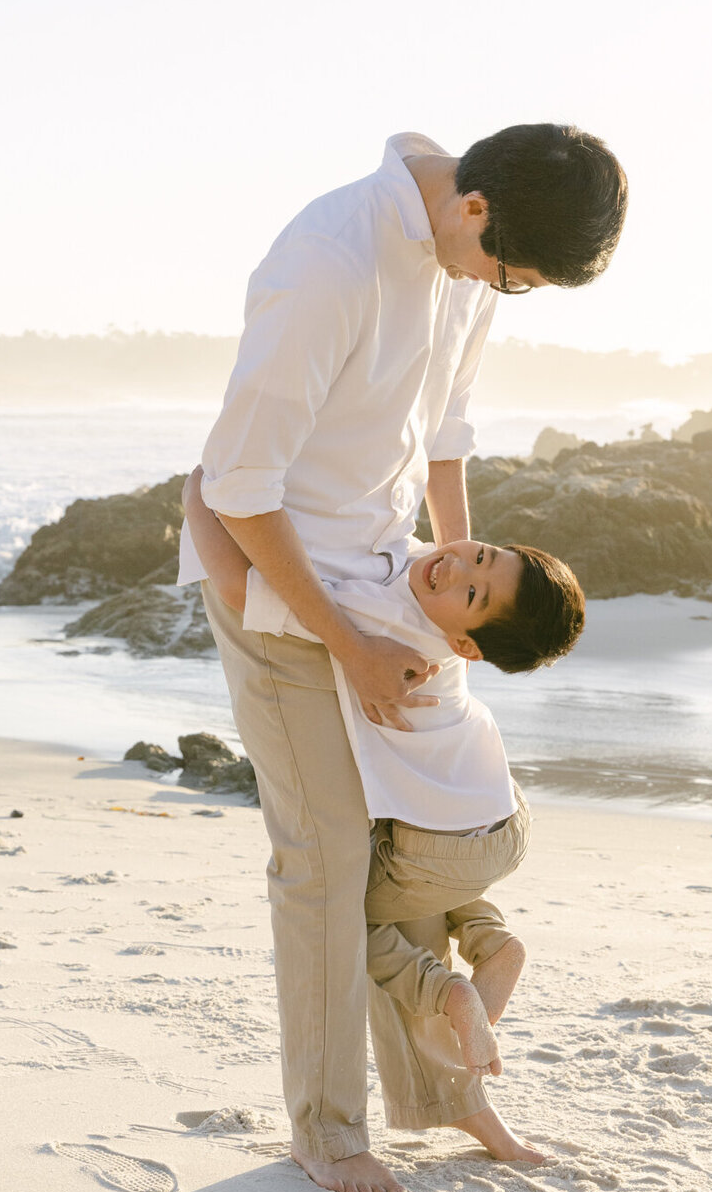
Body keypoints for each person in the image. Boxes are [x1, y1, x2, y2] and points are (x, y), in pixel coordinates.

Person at [176, 125, 626, 1192]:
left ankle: (447, 1094)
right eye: (512, 275)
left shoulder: (467, 258)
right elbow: (238, 485)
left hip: (392, 589)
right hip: (283, 591)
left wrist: (452, 599)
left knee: (410, 852)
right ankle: (326, 1133)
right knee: (327, 860)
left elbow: (448, 434)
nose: (504, 291)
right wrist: (351, 641)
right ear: (474, 210)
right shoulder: (331, 260)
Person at [182, 469, 584, 1139]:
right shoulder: (428, 589)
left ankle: (446, 988)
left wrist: (199, 497)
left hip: (437, 844)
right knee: (428, 879)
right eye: (478, 554)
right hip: (498, 820)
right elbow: (442, 529)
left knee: (337, 915)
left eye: (474, 593)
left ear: (464, 647)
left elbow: (235, 587)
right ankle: (489, 939)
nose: (453, 567)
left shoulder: (383, 620)